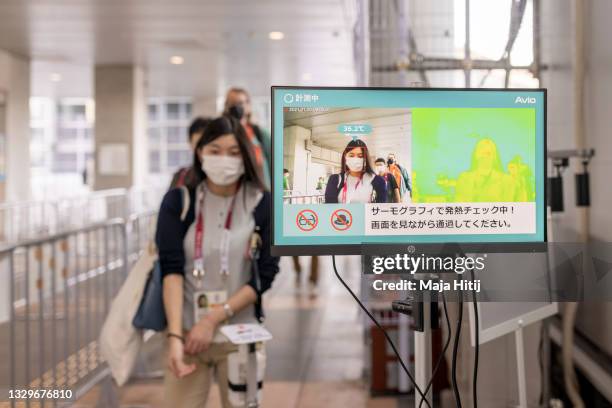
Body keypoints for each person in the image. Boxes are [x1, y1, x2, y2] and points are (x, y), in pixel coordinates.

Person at [157, 116, 279, 407]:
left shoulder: (262, 204)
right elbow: (171, 270)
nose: (224, 159)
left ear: (246, 157)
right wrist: (175, 336)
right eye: (214, 150)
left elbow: (265, 276)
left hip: (240, 336)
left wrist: (213, 319)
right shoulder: (178, 202)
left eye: (234, 152)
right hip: (187, 336)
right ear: (200, 153)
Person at [224, 87, 271, 188]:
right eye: (232, 103)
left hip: (261, 190)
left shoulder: (260, 134)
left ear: (248, 106)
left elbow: (274, 163)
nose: (236, 107)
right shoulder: (221, 134)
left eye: (240, 103)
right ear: (226, 106)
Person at [325, 139, 387, 203]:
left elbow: (380, 209)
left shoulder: (378, 181)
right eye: (351, 155)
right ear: (345, 157)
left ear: (365, 159)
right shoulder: (335, 180)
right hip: (341, 213)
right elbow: (330, 208)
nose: (355, 159)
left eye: (360, 156)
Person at [169, 117, 212, 189]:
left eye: (206, 143)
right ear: (190, 142)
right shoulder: (180, 177)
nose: (203, 150)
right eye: (198, 144)